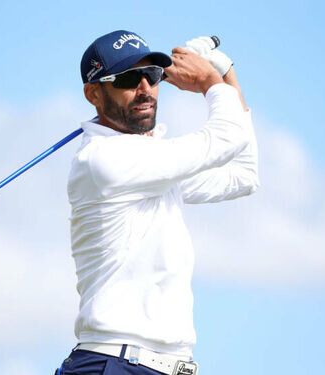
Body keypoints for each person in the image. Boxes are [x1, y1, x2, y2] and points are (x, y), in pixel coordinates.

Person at [56, 30, 259, 375]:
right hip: (113, 363)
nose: (145, 89)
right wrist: (210, 80)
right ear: (94, 93)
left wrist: (227, 75)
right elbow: (228, 137)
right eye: (129, 78)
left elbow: (243, 174)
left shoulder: (151, 164)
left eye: (152, 75)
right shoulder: (103, 160)